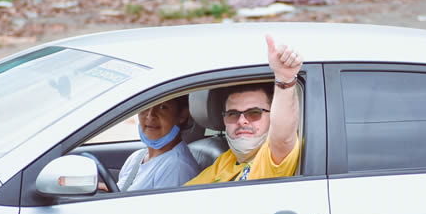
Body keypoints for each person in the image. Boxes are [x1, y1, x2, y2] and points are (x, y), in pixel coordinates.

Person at [186, 34, 301, 185]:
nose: (241, 121)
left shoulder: (272, 157)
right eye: (233, 114)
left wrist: (285, 80)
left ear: (272, 116)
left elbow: (283, 138)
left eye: (254, 113)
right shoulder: (226, 160)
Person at [112, 96, 200, 191]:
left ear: (182, 115)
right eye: (145, 106)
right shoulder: (137, 156)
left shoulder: (177, 167)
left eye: (163, 107)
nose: (150, 116)